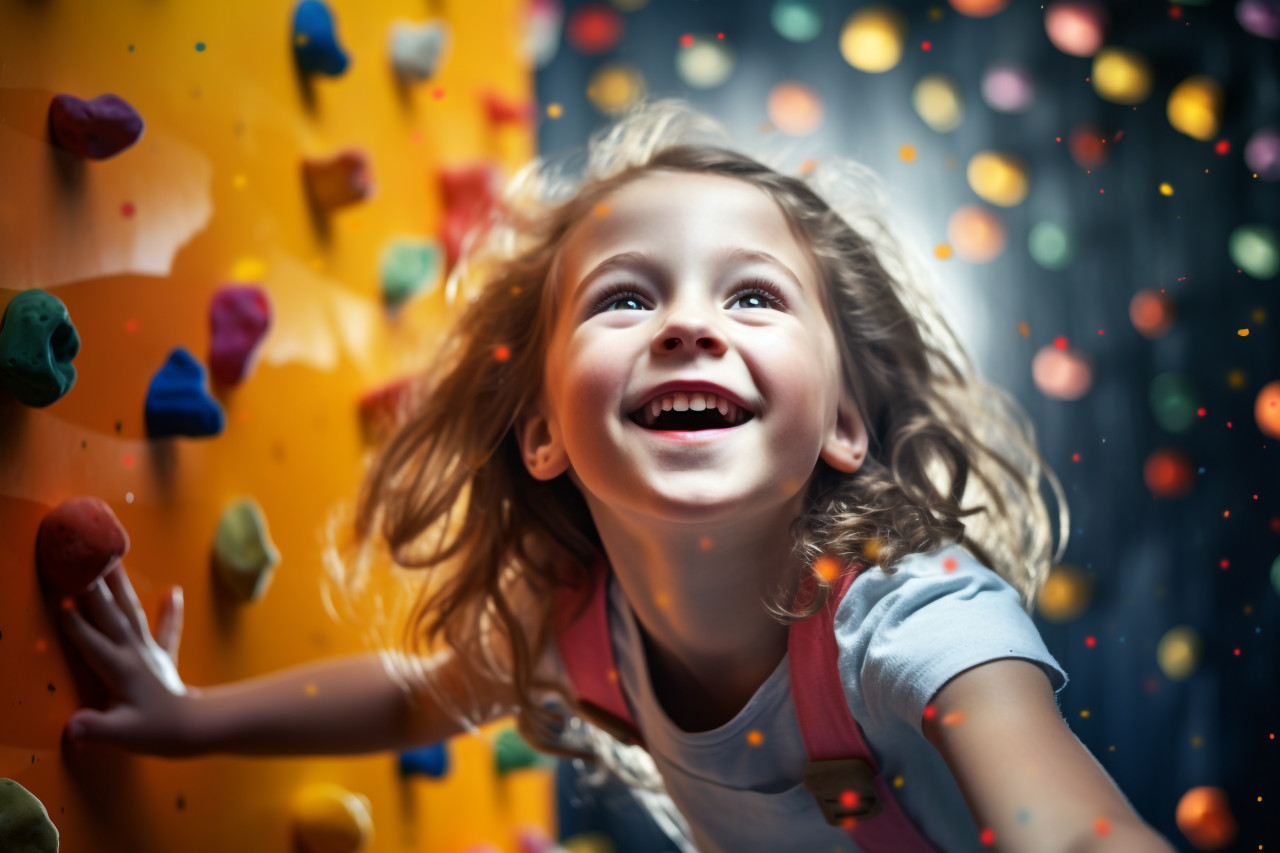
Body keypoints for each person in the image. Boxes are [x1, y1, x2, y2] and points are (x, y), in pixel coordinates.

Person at [53, 98, 1174, 853]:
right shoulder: (583, 632)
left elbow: (1076, 830)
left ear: (842, 420)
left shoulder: (914, 618)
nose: (687, 322)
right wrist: (187, 717)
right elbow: (411, 694)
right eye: (625, 297)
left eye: (751, 296)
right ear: (541, 430)